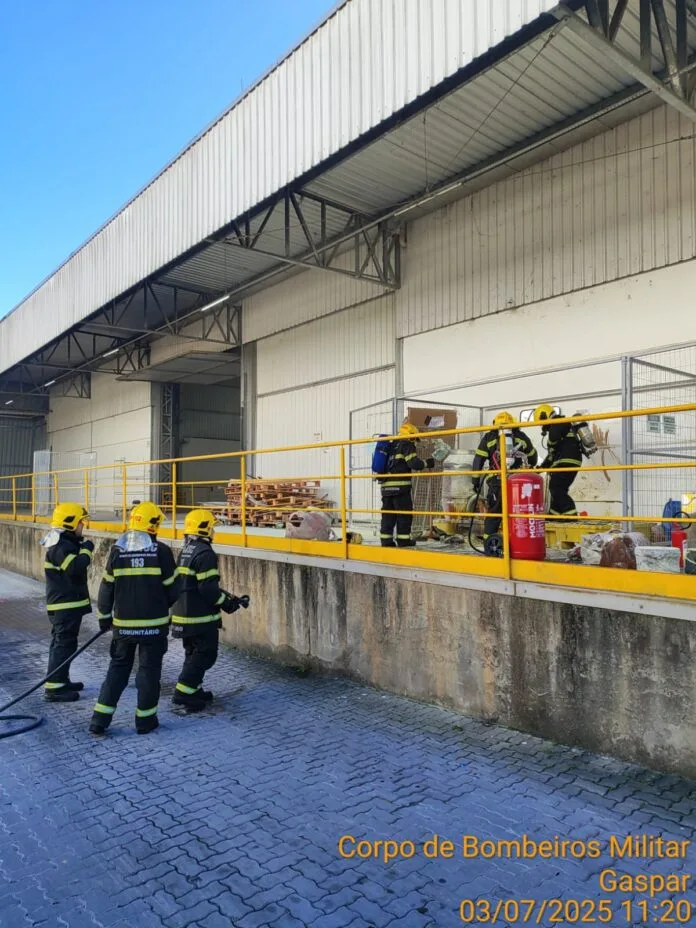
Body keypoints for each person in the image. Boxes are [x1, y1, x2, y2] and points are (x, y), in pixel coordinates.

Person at [89, 502, 178, 736]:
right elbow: (173, 590)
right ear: (153, 525)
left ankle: (99, 720)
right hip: (153, 626)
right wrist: (160, 605)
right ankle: (145, 722)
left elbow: (107, 586)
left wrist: (104, 617)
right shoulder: (162, 551)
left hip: (123, 627)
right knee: (148, 672)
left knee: (117, 670)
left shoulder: (117, 551)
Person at [170, 509, 250, 712]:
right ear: (204, 528)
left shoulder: (187, 550)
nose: (214, 530)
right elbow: (207, 588)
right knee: (206, 654)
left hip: (184, 613)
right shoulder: (205, 553)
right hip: (199, 617)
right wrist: (228, 604)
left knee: (192, 653)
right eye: (211, 526)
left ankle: (193, 690)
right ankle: (183, 692)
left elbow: (197, 583)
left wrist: (225, 596)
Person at [42, 502, 94, 702]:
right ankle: (54, 689)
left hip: (67, 606)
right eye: (82, 522)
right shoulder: (60, 546)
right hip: (64, 607)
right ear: (71, 523)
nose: (84, 526)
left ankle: (61, 679)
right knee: (62, 645)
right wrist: (87, 550)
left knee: (66, 644)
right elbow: (75, 568)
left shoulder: (65, 543)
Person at [471, 411, 538, 544]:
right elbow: (533, 458)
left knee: (495, 513)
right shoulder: (521, 436)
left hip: (496, 482)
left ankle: (490, 544)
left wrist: (475, 480)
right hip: (518, 483)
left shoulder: (489, 437)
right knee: (518, 513)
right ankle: (519, 543)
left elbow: (478, 460)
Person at [379, 421, 434, 547]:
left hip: (386, 488)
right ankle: (403, 541)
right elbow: (414, 463)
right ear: (411, 435)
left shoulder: (391, 445)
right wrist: (427, 463)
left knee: (388, 515)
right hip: (400, 488)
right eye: (415, 438)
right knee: (404, 514)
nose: (415, 441)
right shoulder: (406, 444)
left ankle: (386, 541)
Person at [534, 403, 583, 520]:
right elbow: (551, 455)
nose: (542, 427)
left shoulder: (558, 422)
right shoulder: (563, 424)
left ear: (544, 416)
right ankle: (553, 516)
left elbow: (553, 441)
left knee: (556, 488)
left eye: (542, 424)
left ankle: (571, 514)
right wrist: (541, 468)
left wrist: (550, 443)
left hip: (565, 461)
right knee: (559, 488)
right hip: (570, 461)